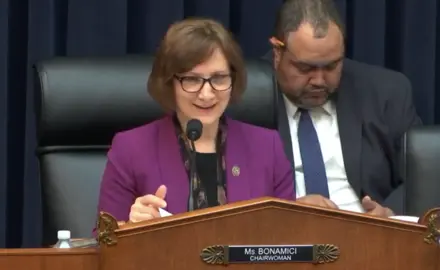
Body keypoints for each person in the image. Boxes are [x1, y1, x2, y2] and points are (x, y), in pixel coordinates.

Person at [97, 18, 294, 223]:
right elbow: (103, 243)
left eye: (218, 78)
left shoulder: (267, 146)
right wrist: (130, 229)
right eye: (192, 79)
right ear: (169, 82)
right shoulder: (131, 149)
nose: (207, 94)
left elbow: (289, 237)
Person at [267, 0, 421, 216]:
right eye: (305, 68)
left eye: (332, 66)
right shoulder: (241, 96)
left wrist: (390, 214)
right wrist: (285, 210)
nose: (319, 80)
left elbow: (422, 178)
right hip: (283, 241)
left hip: (372, 236)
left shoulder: (385, 92)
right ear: (277, 53)